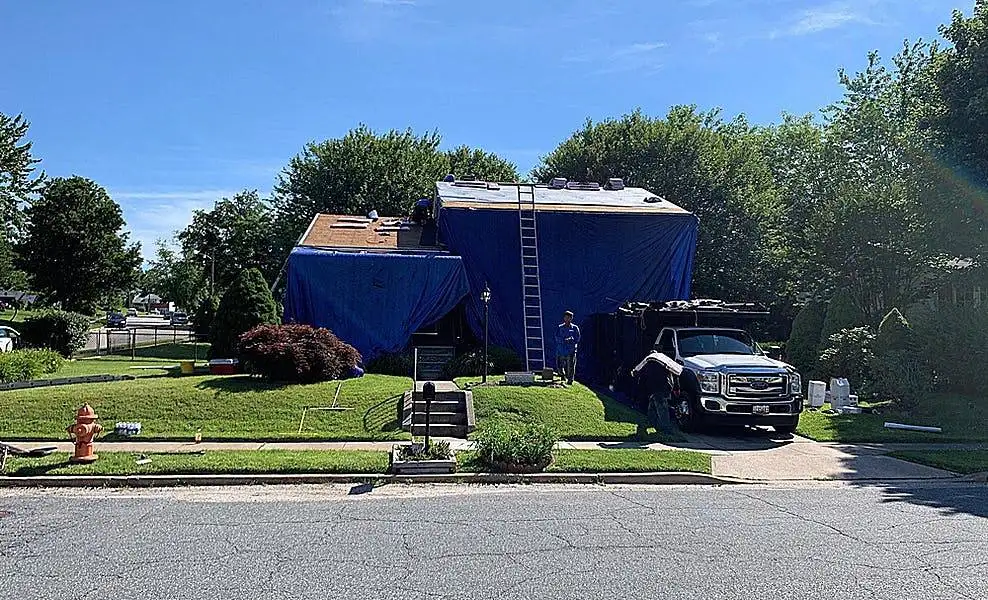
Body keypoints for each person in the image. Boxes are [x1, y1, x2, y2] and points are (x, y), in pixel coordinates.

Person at [554, 310, 580, 385]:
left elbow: (577, 338)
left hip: (570, 351)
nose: (567, 319)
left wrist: (571, 340)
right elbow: (556, 337)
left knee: (570, 366)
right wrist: (563, 340)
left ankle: (570, 380)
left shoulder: (575, 328)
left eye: (569, 318)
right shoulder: (559, 327)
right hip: (561, 350)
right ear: (564, 318)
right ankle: (562, 375)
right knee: (559, 366)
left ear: (571, 318)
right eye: (566, 317)